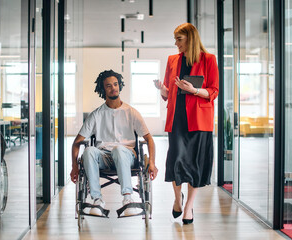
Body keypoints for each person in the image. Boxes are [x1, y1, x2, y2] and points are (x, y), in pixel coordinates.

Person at [154, 23, 219, 224]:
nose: (176, 44)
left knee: (195, 165)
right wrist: (161, 88)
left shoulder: (209, 59)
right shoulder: (173, 60)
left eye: (179, 39)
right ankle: (177, 199)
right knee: (176, 161)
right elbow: (167, 94)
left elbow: (213, 91)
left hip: (200, 121)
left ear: (190, 38)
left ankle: (189, 208)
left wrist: (193, 90)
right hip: (177, 119)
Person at [70, 70, 158, 217]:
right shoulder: (96, 114)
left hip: (126, 155)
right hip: (103, 156)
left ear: (120, 85)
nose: (113, 88)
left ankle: (128, 199)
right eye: (109, 86)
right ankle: (97, 200)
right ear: (103, 89)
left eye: (116, 84)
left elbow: (149, 139)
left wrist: (153, 162)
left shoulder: (131, 112)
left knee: (119, 150)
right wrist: (74, 166)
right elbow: (77, 142)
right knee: (89, 151)